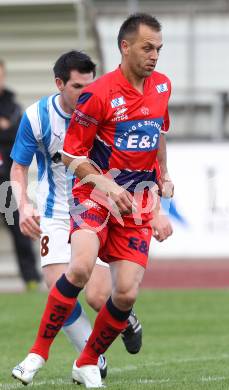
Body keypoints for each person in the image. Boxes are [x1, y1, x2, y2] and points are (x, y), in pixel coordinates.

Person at [12, 13, 174, 388]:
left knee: (110, 295)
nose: (154, 56)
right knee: (70, 274)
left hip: (131, 201)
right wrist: (23, 205)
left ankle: (112, 330)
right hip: (66, 203)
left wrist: (160, 187)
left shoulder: (161, 88)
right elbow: (28, 166)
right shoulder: (39, 116)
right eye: (147, 48)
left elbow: (157, 135)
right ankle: (78, 358)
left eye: (158, 49)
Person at [0, 60, 41, 291]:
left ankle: (31, 279)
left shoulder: (13, 107)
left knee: (19, 227)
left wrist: (5, 130)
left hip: (5, 181)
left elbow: (15, 137)